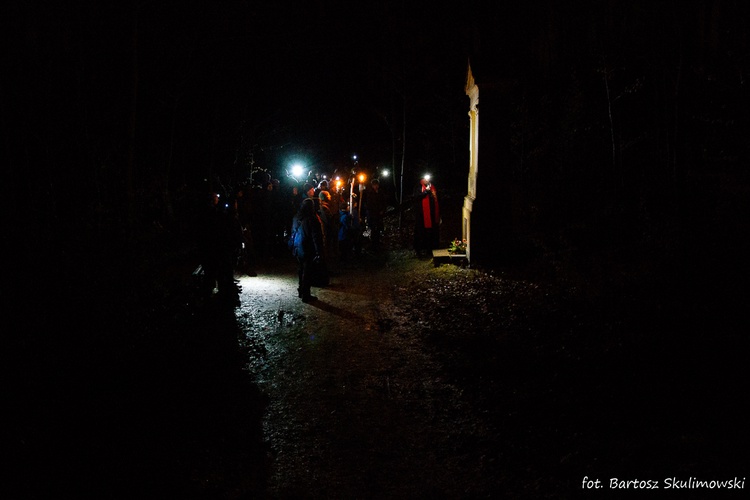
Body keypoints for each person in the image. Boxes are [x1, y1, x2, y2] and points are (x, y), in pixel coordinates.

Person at [291, 198, 325, 302]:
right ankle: (306, 294)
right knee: (307, 271)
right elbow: (316, 237)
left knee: (301, 269)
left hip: (298, 247)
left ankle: (301, 290)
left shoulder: (297, 217)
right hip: (307, 247)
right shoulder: (312, 219)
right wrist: (319, 252)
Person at [414, 176, 440, 257]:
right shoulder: (418, 187)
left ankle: (430, 249)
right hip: (421, 215)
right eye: (425, 179)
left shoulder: (432, 187)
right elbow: (416, 197)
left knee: (431, 232)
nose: (427, 180)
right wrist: (425, 192)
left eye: (428, 179)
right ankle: (419, 250)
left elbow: (436, 199)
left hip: (431, 215)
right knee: (421, 233)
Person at [363, 178, 387, 251]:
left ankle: (378, 241)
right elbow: (369, 204)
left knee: (379, 228)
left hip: (379, 213)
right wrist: (371, 212)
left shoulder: (381, 192)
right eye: (374, 185)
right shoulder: (370, 193)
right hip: (373, 214)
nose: (376, 186)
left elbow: (384, 202)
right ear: (372, 186)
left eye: (377, 185)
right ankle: (373, 243)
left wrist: (383, 210)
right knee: (373, 228)